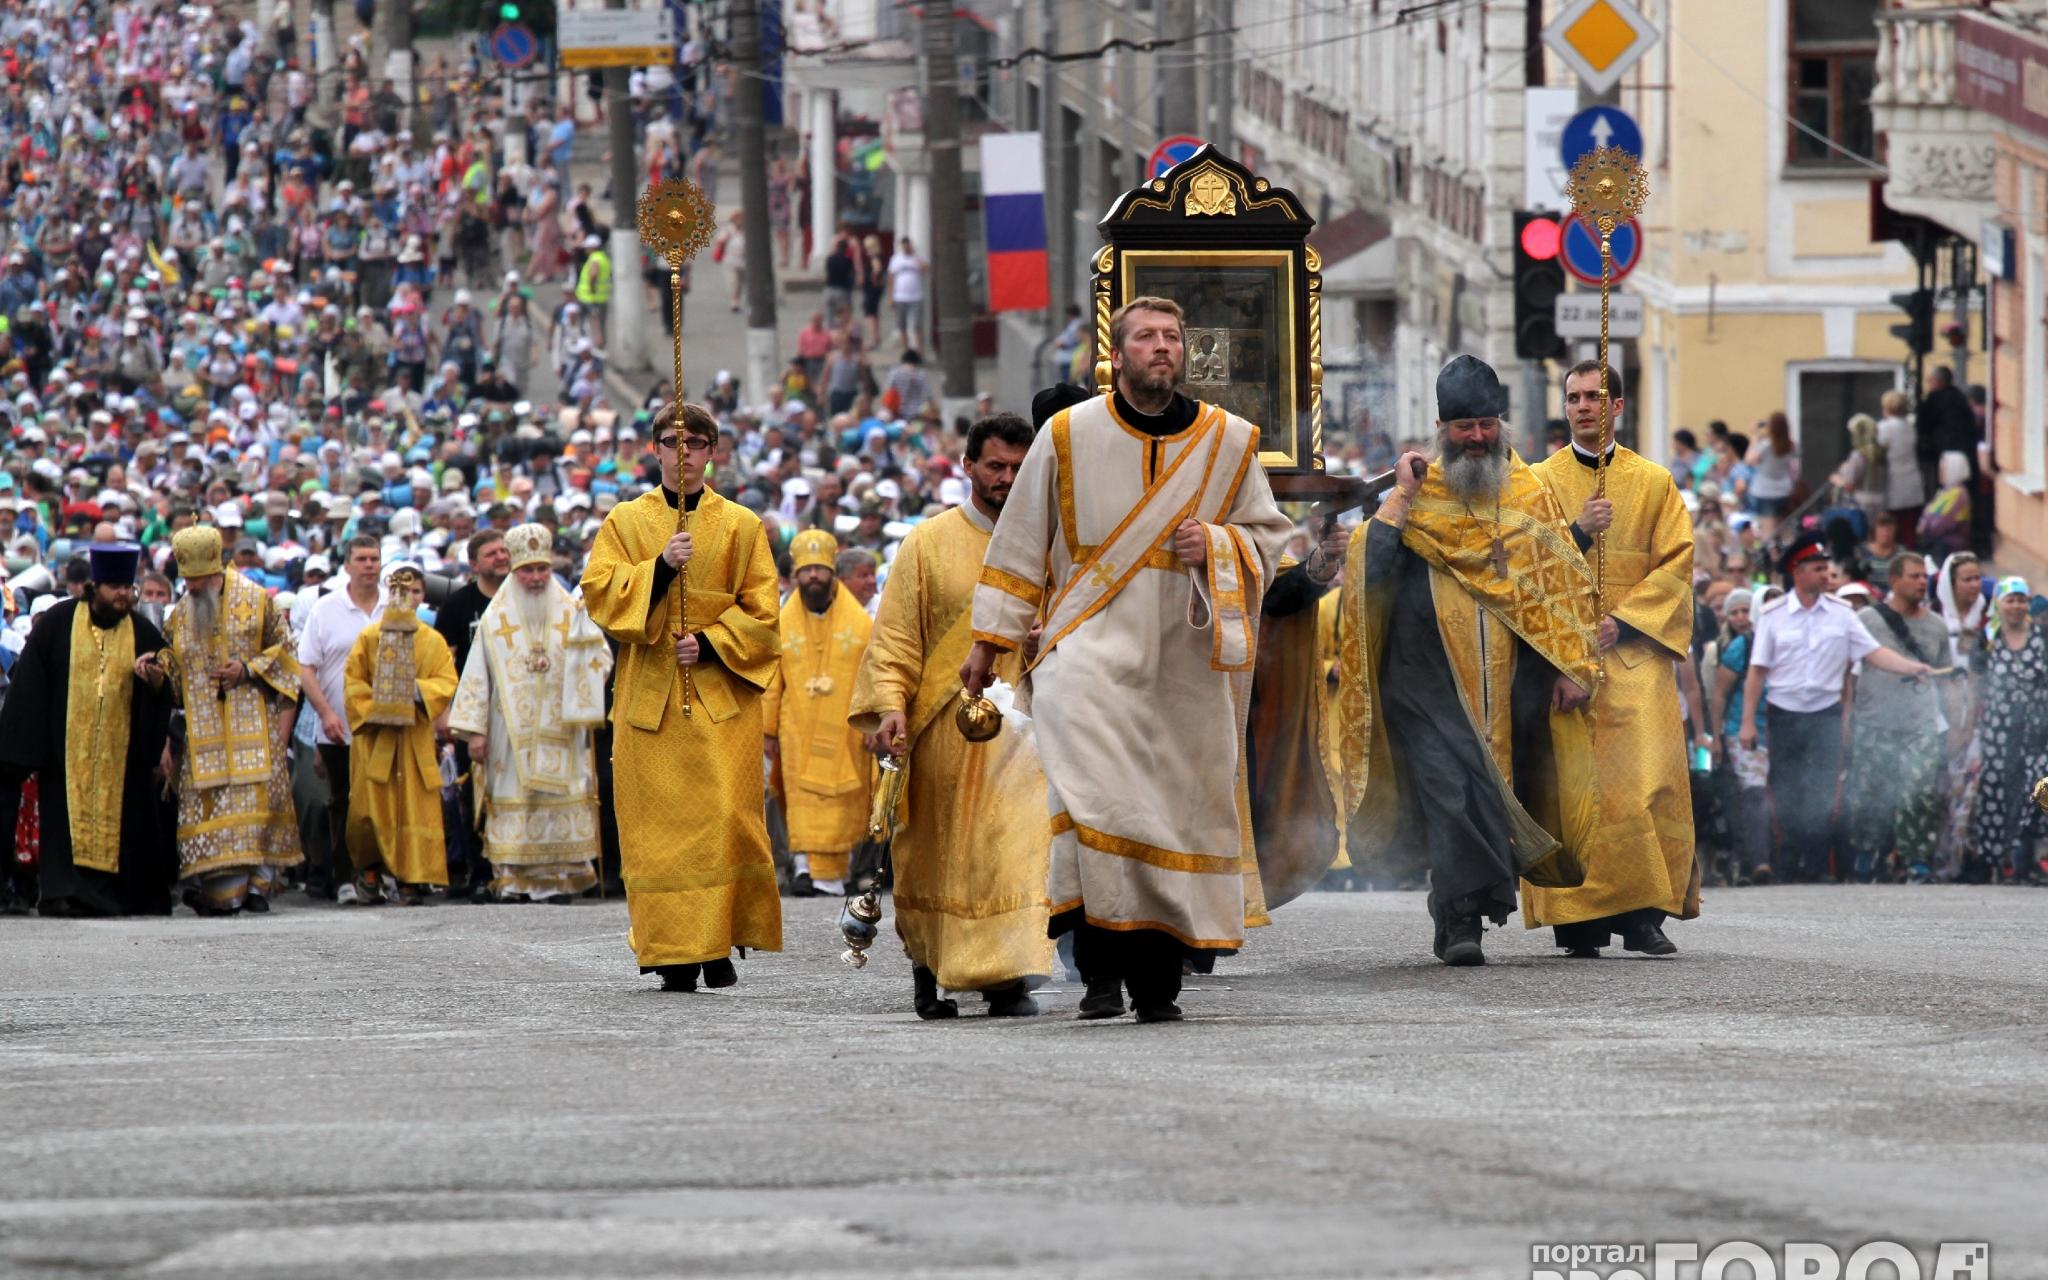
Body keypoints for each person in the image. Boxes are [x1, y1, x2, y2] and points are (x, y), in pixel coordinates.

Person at [963, 298, 1292, 1021]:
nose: (1161, 348)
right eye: (1146, 337)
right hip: (1087, 650)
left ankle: (1156, 984)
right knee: (1096, 806)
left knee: (1166, 819)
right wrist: (988, 644)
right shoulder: (1067, 435)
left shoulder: (1230, 442)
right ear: (1117, 355)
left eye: (1172, 337)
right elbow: (1019, 543)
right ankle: (1100, 974)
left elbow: (1273, 540)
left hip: (1184, 663)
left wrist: (1219, 545)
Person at [1332, 356, 1600, 966]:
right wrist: (1399, 494)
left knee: (1492, 793)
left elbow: (1563, 585)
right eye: (1463, 427)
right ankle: (1460, 921)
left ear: (1500, 424)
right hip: (1425, 682)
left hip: (1512, 685)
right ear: (1440, 428)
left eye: (1485, 424)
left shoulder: (1529, 491)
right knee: (1450, 793)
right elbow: (1368, 568)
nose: (1476, 437)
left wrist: (1568, 667)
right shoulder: (1416, 493)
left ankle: (1467, 910)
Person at [851, 413, 1053, 1019]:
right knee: (935, 851)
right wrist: (889, 706)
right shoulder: (927, 542)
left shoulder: (1048, 544)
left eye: (1019, 467)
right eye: (996, 465)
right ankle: (928, 970)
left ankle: (1007, 978)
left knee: (1014, 848)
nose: (1007, 477)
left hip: (1020, 725)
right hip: (940, 727)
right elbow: (894, 640)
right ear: (968, 466)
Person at [581, 401, 783, 992]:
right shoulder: (624, 521)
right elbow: (599, 594)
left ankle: (717, 943)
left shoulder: (743, 525)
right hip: (650, 700)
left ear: (712, 451)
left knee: (724, 821)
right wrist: (660, 569)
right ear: (655, 451)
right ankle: (671, 953)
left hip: (721, 702)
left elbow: (765, 615)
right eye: (673, 442)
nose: (685, 453)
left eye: (696, 443)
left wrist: (715, 643)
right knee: (657, 834)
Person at [1527, 361, 1699, 957]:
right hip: (1562, 658)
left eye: (1595, 397)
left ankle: (1644, 914)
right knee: (1575, 790)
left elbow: (1677, 564)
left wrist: (1621, 623)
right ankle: (1577, 920)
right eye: (1574, 397)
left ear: (1617, 406)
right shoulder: (1537, 481)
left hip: (1634, 657)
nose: (1583, 407)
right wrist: (1577, 529)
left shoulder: (1653, 482)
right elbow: (1522, 570)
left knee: (1643, 786)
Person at [1740, 532, 1933, 883]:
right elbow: (1757, 672)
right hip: (1783, 713)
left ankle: (1814, 864)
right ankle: (1787, 861)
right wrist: (1747, 723)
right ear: (1797, 571)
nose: (1825, 576)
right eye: (1817, 569)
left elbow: (1873, 652)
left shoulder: (1842, 615)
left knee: (1824, 790)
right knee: (1784, 787)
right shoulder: (1773, 615)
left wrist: (1911, 667)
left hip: (1825, 714)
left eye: (1826, 569)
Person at [0, 545, 175, 917]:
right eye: (115, 587)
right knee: (63, 823)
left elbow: (164, 685)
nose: (123, 595)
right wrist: (26, 749)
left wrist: (155, 684)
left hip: (119, 761)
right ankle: (63, 891)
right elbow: (30, 688)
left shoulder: (142, 630)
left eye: (128, 588)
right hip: (66, 758)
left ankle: (115, 895)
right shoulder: (58, 623)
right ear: (94, 586)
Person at [447, 524, 613, 903]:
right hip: (508, 730)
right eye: (528, 571)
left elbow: (602, 659)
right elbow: (476, 675)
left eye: (542, 569)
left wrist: (583, 678)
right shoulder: (494, 618)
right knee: (513, 794)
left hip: (563, 725)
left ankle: (561, 877)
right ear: (514, 571)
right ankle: (514, 879)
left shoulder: (573, 610)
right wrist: (475, 731)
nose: (536, 578)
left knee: (562, 792)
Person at [153, 527, 303, 915]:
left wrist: (249, 670)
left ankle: (255, 887)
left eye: (198, 578)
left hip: (253, 723)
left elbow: (287, 653)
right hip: (204, 735)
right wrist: (157, 668)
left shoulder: (256, 600)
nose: (192, 586)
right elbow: (173, 665)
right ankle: (223, 893)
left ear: (215, 569)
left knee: (258, 803)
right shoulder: (181, 614)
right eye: (186, 579)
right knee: (215, 809)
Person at [761, 529, 872, 898]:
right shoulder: (781, 621)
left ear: (832, 574)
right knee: (800, 795)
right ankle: (805, 867)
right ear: (794, 575)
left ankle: (835, 873)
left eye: (819, 570)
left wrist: (874, 719)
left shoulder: (860, 624)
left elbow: (872, 674)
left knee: (839, 798)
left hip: (845, 726)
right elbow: (771, 678)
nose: (813, 577)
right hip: (797, 727)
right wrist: (768, 729)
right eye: (805, 571)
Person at [342, 561, 458, 905]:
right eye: (395, 592)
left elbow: (445, 681)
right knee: (368, 809)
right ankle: (370, 870)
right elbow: (352, 683)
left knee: (414, 807)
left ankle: (412, 875)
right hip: (376, 737)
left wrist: (414, 692)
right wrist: (376, 706)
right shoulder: (369, 637)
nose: (401, 599)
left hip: (413, 735)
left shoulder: (432, 640)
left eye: (408, 593)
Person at [1845, 553, 1949, 884]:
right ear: (1894, 581)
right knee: (1869, 795)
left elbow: (1947, 679)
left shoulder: (1937, 625)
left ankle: (1917, 862)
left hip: (1920, 723)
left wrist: (1955, 723)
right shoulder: (1867, 619)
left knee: (1918, 792)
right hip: (1875, 721)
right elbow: (1849, 671)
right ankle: (1867, 857)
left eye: (1925, 576)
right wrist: (1847, 715)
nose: (1923, 581)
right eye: (1914, 576)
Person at [297, 536, 385, 903]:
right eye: (361, 559)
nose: (369, 565)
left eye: (374, 558)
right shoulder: (326, 608)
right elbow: (306, 667)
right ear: (346, 566)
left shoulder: (392, 607)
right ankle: (344, 877)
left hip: (383, 726)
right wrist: (326, 713)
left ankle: (379, 875)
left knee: (381, 803)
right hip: (337, 725)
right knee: (342, 804)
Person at [1970, 577, 2048, 883]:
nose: (2016, 606)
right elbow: (1974, 684)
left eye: (2021, 600)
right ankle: (1996, 864)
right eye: (2010, 600)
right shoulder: (1988, 638)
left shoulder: (2042, 637)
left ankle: (2028, 861)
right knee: (1997, 792)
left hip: (2038, 729)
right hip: (1998, 729)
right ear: (1998, 604)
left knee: (2036, 790)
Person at [1707, 588, 1772, 884]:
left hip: (1780, 728)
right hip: (1743, 731)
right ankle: (1756, 861)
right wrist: (1717, 737)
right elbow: (1718, 695)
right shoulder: (1740, 647)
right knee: (1753, 794)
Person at [1745, 412, 1799, 537]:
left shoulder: (1766, 446)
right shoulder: (1792, 446)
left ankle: (1770, 555)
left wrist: (1754, 437)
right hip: (1784, 490)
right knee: (1783, 527)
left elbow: (1749, 460)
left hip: (1765, 491)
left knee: (1767, 530)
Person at [886, 237, 927, 350]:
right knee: (902, 326)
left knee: (917, 326)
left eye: (908, 245)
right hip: (900, 297)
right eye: (904, 246)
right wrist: (890, 297)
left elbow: (925, 270)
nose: (906, 248)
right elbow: (891, 278)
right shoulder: (896, 259)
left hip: (916, 296)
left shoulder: (918, 257)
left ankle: (920, 351)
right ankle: (906, 351)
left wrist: (915, 256)